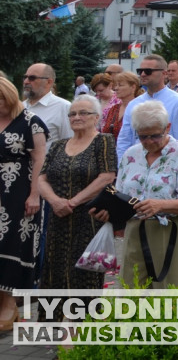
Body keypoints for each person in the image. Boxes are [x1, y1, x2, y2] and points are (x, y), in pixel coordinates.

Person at [92, 100, 178, 288]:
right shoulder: (130, 154)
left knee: (170, 294)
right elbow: (120, 195)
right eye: (143, 136)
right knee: (131, 291)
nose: (149, 141)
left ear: (167, 127)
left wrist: (161, 205)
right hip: (135, 232)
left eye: (155, 135)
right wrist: (110, 214)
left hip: (171, 233)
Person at [37, 95, 117, 304]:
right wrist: (55, 201)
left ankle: (81, 322)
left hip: (88, 217)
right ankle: (55, 320)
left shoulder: (103, 141)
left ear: (96, 117)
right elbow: (42, 178)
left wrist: (72, 202)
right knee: (55, 267)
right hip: (57, 217)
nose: (76, 117)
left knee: (83, 271)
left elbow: (107, 176)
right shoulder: (58, 146)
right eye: (72, 114)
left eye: (83, 113)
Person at [0, 77, 48, 331]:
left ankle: (9, 306)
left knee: (14, 245)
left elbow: (40, 159)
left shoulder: (30, 121)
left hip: (19, 192)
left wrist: (34, 194)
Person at [116, 54, 178, 160]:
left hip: (167, 168)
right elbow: (124, 140)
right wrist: (122, 167)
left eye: (148, 71)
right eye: (140, 71)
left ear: (164, 74)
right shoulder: (133, 104)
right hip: (136, 167)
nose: (143, 74)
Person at [22, 63, 71, 143]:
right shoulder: (20, 107)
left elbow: (69, 142)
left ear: (49, 82)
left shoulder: (63, 107)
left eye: (32, 78)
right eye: (25, 77)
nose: (26, 81)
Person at [101, 71, 142, 139]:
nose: (116, 88)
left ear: (133, 87)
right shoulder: (114, 109)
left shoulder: (140, 109)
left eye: (120, 85)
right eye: (116, 85)